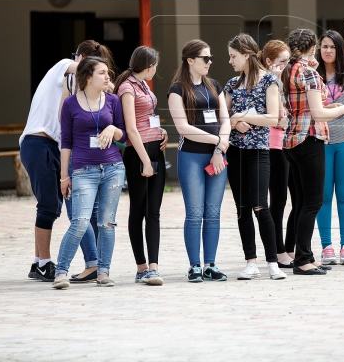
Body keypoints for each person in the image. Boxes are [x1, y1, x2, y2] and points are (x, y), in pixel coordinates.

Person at [20, 40, 116, 283]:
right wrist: (105, 81)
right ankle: (43, 263)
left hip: (59, 145)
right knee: (50, 206)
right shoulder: (65, 65)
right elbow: (79, 70)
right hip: (39, 141)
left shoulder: (77, 89)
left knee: (75, 207)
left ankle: (46, 263)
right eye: (98, 69)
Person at [282, 28, 344, 275]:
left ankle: (305, 255)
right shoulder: (310, 73)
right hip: (310, 139)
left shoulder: (289, 70)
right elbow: (318, 114)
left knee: (303, 201)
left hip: (292, 140)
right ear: (312, 46)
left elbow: (305, 106)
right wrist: (343, 109)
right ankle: (302, 259)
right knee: (312, 202)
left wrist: (330, 105)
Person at [53, 57, 127, 289]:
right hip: (83, 170)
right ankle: (61, 272)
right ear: (87, 76)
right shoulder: (71, 104)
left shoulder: (113, 101)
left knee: (107, 223)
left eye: (108, 73)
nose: (108, 77)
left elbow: (124, 135)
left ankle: (103, 272)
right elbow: (66, 142)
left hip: (113, 169)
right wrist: (65, 176)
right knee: (80, 222)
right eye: (102, 73)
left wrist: (112, 128)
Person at [224, 34, 287, 281]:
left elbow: (273, 118)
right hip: (236, 152)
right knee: (242, 209)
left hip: (259, 151)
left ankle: (272, 262)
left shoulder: (269, 81)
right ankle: (250, 262)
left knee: (261, 206)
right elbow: (223, 118)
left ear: (247, 55)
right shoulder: (231, 84)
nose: (230, 61)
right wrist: (232, 120)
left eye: (233, 56)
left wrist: (243, 117)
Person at [168, 40, 231, 283]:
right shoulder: (177, 89)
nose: (210, 62)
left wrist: (219, 146)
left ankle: (210, 265)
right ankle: (194, 265)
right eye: (206, 58)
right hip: (192, 157)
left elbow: (225, 119)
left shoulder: (214, 85)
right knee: (195, 213)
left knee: (213, 213)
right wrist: (217, 140)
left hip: (217, 155)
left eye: (211, 58)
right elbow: (183, 128)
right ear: (190, 60)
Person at [114, 47, 168, 285]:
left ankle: (154, 267)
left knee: (153, 210)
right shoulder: (127, 87)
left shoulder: (144, 84)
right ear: (148, 66)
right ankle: (141, 267)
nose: (156, 70)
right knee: (138, 208)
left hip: (155, 147)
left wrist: (161, 131)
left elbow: (148, 117)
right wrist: (145, 160)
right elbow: (131, 128)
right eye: (155, 66)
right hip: (139, 153)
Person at [315, 30, 344, 265]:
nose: (328, 51)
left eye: (333, 47)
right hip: (320, 141)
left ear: (340, 50)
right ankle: (327, 247)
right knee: (323, 196)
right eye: (324, 46)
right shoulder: (312, 75)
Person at [259, 40, 298, 267]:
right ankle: (277, 251)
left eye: (287, 62)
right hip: (272, 144)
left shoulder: (282, 79)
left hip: (288, 143)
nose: (285, 66)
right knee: (278, 200)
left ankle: (288, 248)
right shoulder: (265, 81)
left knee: (294, 198)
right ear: (268, 61)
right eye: (281, 62)